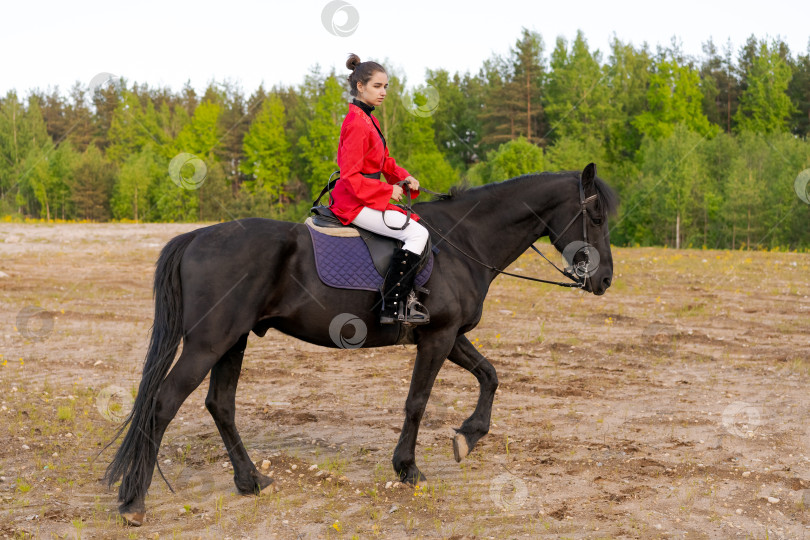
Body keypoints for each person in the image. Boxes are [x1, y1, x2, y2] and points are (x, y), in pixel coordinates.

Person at [329, 53, 430, 326]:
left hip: (366, 196)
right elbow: (350, 176)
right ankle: (393, 305)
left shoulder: (367, 118)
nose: (383, 92)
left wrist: (404, 176)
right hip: (354, 201)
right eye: (377, 86)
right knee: (417, 233)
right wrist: (386, 192)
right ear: (360, 86)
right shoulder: (355, 123)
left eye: (386, 86)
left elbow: (383, 161)